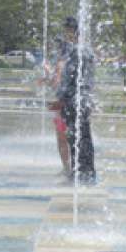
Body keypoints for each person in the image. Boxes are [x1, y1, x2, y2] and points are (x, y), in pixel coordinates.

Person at [48, 17, 97, 185]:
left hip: (73, 101)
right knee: (85, 138)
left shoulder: (75, 51)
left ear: (71, 30)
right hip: (85, 99)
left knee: (74, 138)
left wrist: (60, 100)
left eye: (67, 31)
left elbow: (70, 79)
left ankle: (76, 175)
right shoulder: (89, 51)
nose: (67, 35)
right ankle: (89, 174)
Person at [38, 36, 71, 178]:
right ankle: (75, 169)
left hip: (62, 105)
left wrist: (46, 78)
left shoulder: (61, 63)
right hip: (76, 104)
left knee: (62, 139)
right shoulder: (75, 63)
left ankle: (67, 169)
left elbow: (55, 83)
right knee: (74, 138)